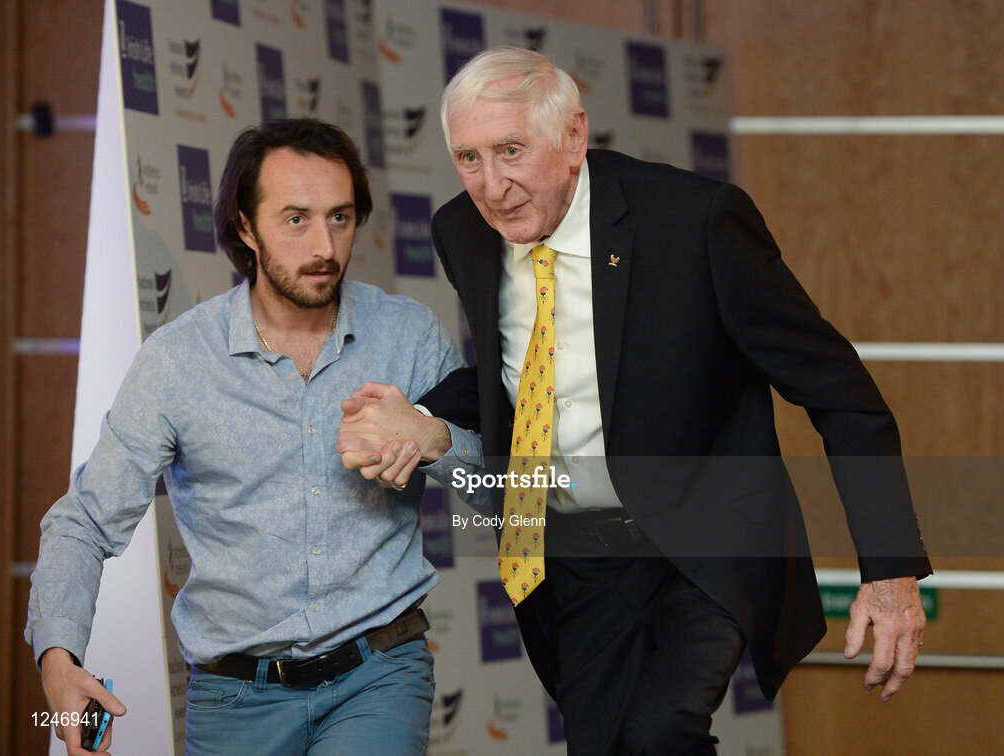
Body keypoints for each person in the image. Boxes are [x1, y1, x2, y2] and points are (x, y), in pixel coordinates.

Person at [338, 47, 931, 755]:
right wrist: (427, 420)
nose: (492, 186)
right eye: (468, 158)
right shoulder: (462, 231)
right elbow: (522, 373)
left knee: (658, 733)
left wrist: (889, 569)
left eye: (511, 150)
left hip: (708, 534)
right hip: (580, 550)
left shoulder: (697, 221)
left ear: (574, 138)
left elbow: (841, 392)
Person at [25, 118, 481, 756]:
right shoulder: (179, 360)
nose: (324, 245)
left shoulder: (408, 336)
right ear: (245, 225)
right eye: (296, 219)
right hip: (234, 696)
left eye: (340, 218)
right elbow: (84, 522)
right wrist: (58, 657)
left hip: (379, 675)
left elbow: (508, 490)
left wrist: (435, 438)